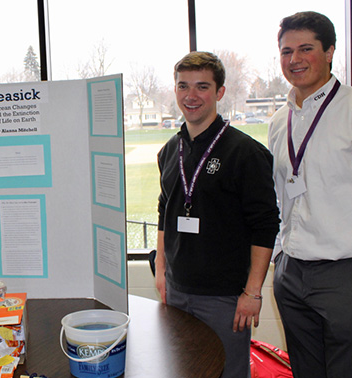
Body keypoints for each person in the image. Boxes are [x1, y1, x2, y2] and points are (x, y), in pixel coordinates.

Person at [155, 51, 280, 378]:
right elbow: (164, 209)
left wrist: (252, 292)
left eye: (202, 87)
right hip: (177, 290)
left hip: (225, 298)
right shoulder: (170, 150)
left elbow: (265, 225)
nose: (190, 96)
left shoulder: (246, 153)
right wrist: (160, 270)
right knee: (182, 370)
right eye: (183, 86)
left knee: (227, 372)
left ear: (219, 92)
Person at [268, 11, 352, 377]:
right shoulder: (280, 120)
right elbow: (281, 194)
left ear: (329, 51)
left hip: (349, 273)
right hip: (292, 273)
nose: (294, 60)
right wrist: (281, 258)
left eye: (305, 48)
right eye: (286, 51)